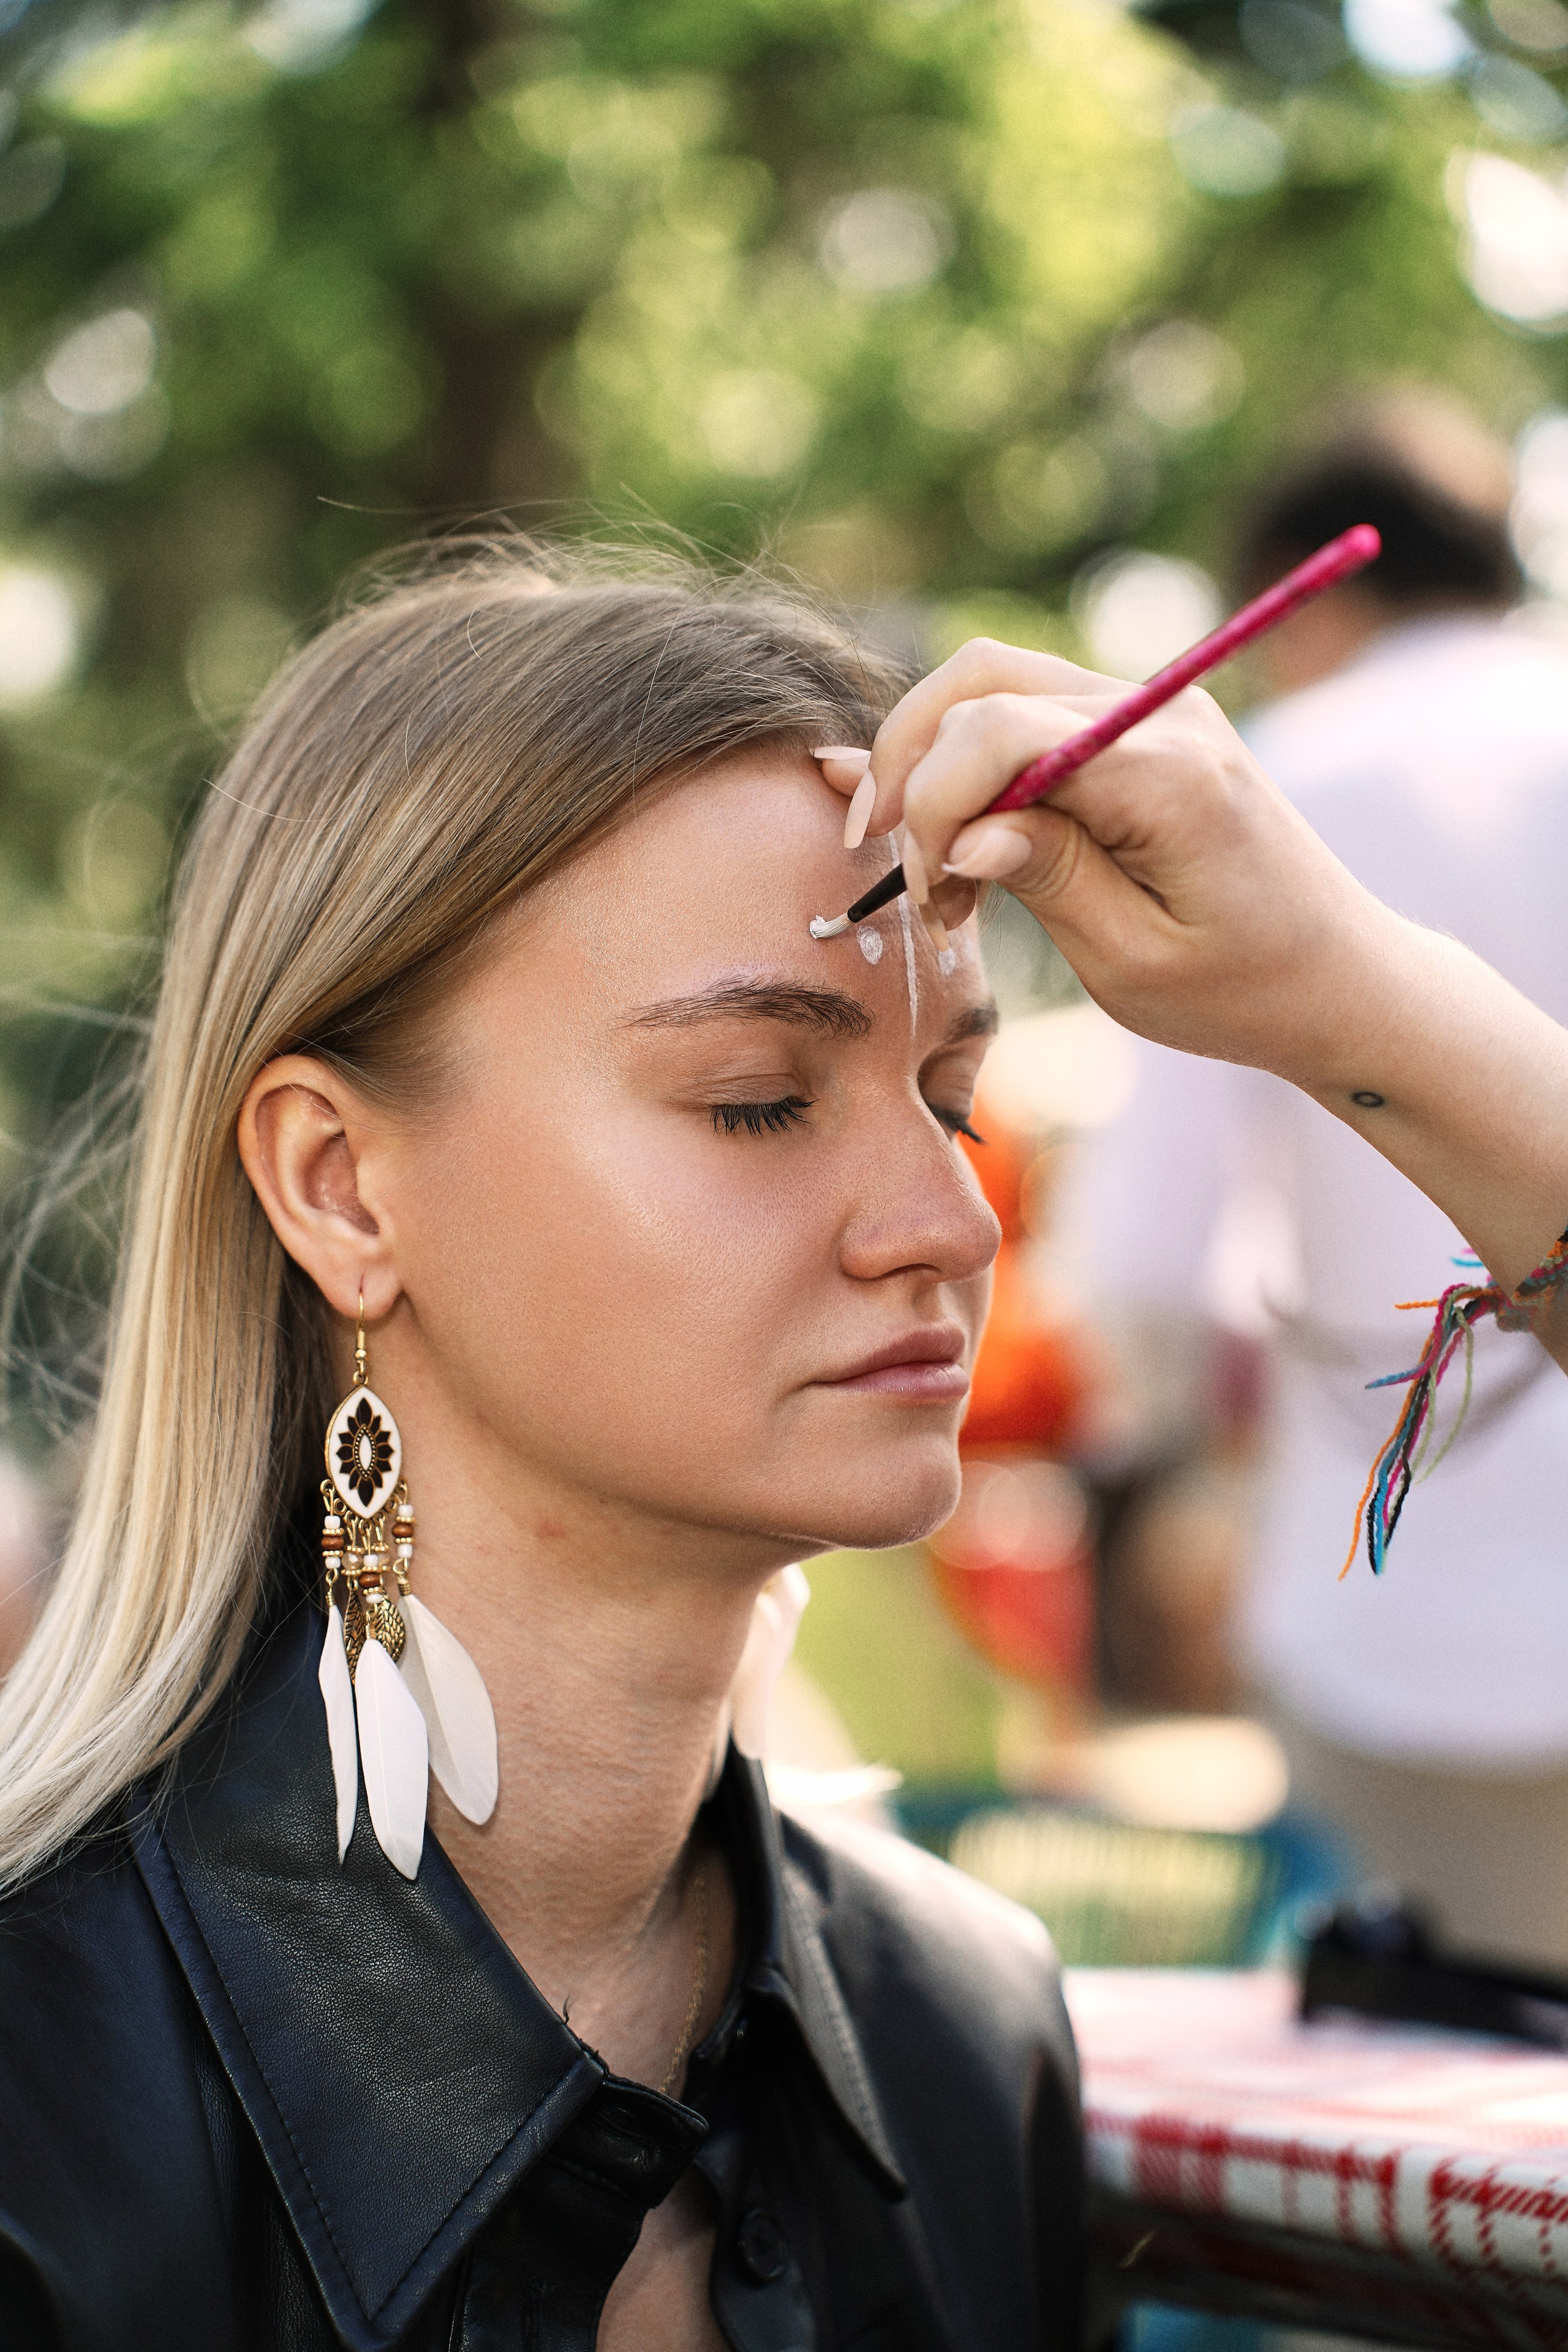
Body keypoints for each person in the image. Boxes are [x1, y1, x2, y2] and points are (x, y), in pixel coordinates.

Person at [0, 550, 1084, 2351]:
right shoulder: (40, 2100)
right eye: (757, 1096)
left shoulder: (964, 2039)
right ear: (341, 1185)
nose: (949, 1221)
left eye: (952, 1098)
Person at [1058, 397, 1568, 1960]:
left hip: (1394, 1631)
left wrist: (1139, 1464)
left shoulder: (1257, 785)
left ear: (1310, 594)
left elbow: (1149, 1259)